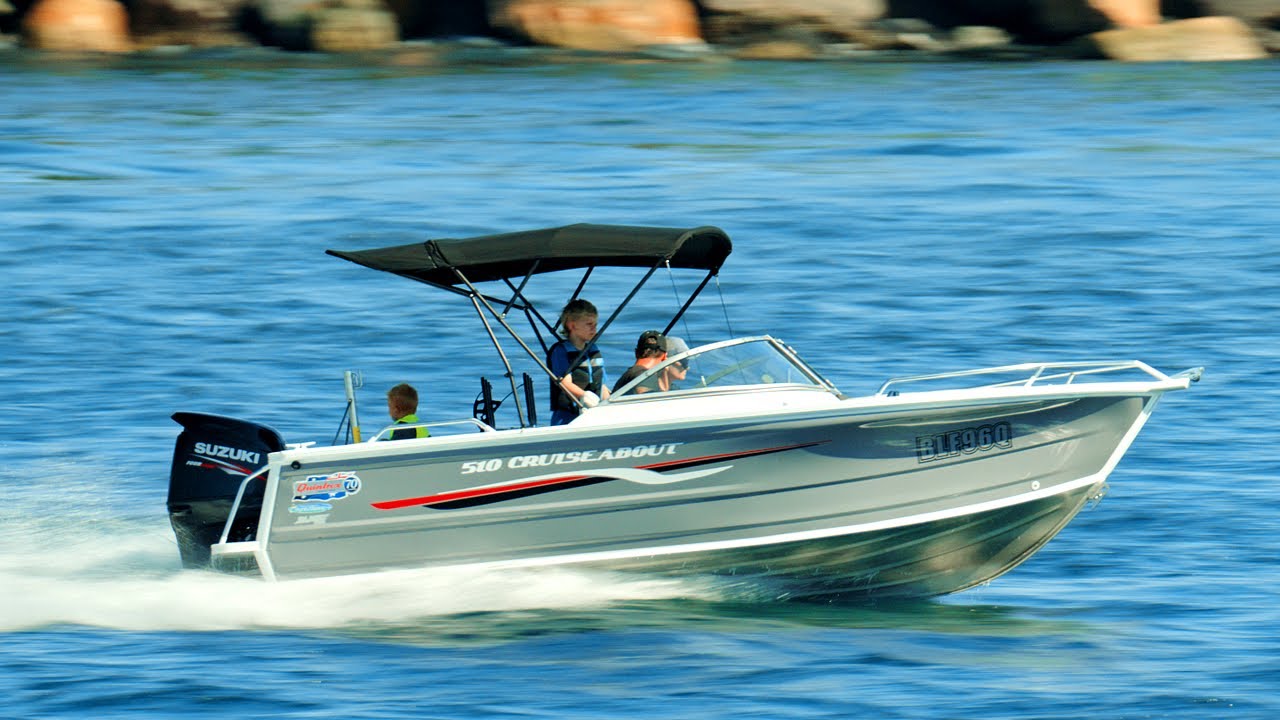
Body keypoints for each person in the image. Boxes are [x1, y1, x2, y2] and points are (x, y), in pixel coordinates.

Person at [547, 299, 609, 425]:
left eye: (595, 325)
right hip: (567, 418)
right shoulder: (561, 351)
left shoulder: (593, 350)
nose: (594, 329)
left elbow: (602, 385)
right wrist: (584, 395)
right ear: (572, 325)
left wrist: (609, 403)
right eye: (589, 324)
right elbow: (564, 382)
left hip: (594, 415)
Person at [612, 330, 667, 394]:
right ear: (664, 356)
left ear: (636, 353)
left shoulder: (630, 374)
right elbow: (647, 399)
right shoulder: (645, 376)